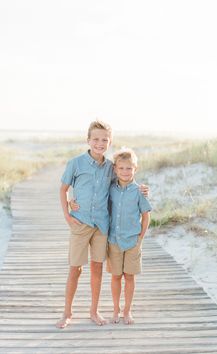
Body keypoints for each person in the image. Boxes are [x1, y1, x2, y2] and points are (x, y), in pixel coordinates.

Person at [56, 120, 148, 328]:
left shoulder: (110, 167)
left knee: (97, 269)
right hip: (80, 223)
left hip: (102, 227)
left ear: (110, 142)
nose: (100, 143)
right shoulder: (76, 163)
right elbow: (63, 189)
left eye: (104, 140)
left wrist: (143, 190)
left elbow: (125, 183)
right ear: (88, 140)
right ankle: (67, 312)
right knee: (75, 269)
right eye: (96, 139)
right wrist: (67, 214)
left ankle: (94, 311)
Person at [106, 148, 151, 325]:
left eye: (129, 168)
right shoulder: (111, 189)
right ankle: (116, 309)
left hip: (133, 240)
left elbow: (146, 215)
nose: (125, 172)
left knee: (129, 277)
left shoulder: (139, 191)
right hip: (114, 240)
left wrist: (140, 238)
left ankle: (127, 310)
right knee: (116, 276)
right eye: (122, 168)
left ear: (135, 169)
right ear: (115, 169)